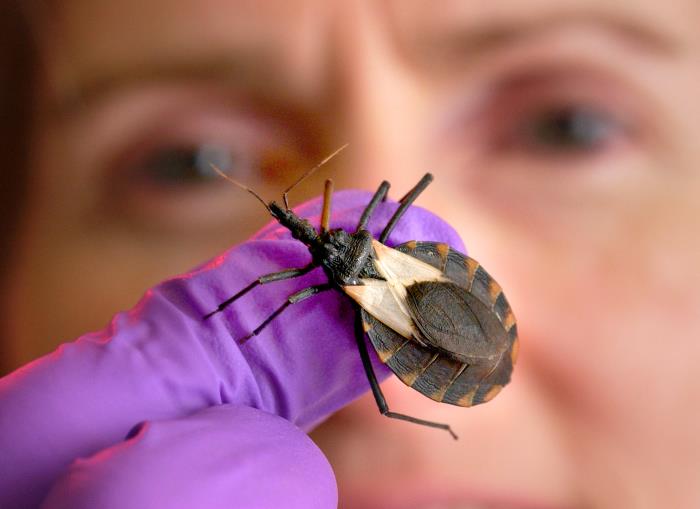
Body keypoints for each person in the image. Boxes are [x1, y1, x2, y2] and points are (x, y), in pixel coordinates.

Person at [1, 1, 699, 508]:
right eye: (189, 161)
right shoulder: (331, 261)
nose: (359, 408)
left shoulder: (318, 274)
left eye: (567, 127)